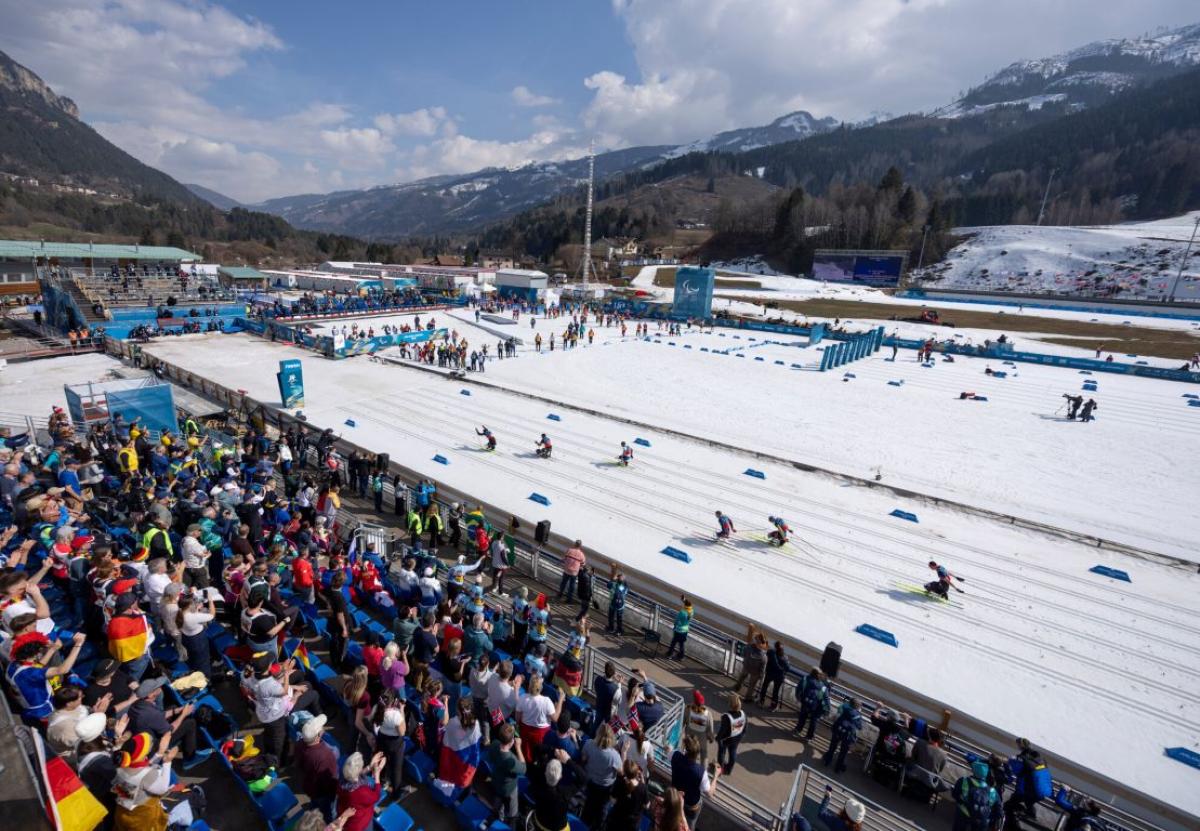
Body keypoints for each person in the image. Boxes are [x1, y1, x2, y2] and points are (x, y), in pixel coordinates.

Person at [296, 714, 340, 822]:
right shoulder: (326, 756)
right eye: (321, 727)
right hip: (323, 794)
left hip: (310, 787)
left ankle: (314, 812)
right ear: (318, 735)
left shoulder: (300, 744)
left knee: (315, 804)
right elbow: (331, 782)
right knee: (329, 813)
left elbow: (299, 765)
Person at [579, 723, 623, 829]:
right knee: (602, 809)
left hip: (591, 781)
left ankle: (583, 824)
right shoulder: (614, 755)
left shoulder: (589, 744)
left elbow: (583, 759)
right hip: (605, 787)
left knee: (589, 804)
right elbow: (621, 772)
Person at [671, 736, 720, 829]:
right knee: (689, 826)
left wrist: (670, 748)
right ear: (697, 753)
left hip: (675, 799)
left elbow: (669, 752)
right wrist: (716, 776)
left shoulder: (675, 755)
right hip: (691, 807)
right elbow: (709, 793)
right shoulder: (701, 772)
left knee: (674, 821)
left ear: (685, 749)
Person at [487, 723, 526, 824]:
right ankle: (510, 820)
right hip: (508, 788)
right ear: (512, 741)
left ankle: (498, 816)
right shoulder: (510, 761)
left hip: (496, 781)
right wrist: (518, 747)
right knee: (513, 812)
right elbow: (524, 768)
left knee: (497, 803)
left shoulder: (494, 744)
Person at [336, 752, 386, 831]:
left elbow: (356, 776)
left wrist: (370, 766)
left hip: (343, 813)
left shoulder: (343, 778)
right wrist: (377, 775)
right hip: (358, 823)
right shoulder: (361, 792)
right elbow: (376, 796)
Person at [517, 674, 562, 761]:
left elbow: (517, 719)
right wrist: (560, 701)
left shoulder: (522, 698)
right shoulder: (546, 701)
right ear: (540, 688)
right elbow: (555, 718)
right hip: (542, 735)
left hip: (526, 733)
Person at [953, 761, 1003, 831]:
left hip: (964, 814)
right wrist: (988, 817)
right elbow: (999, 812)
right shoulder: (992, 791)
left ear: (974, 771)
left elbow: (955, 794)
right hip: (982, 819)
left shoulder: (963, 781)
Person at [823, 698, 863, 773]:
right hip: (847, 735)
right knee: (843, 752)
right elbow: (859, 727)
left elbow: (840, 709)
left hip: (838, 729)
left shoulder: (844, 707)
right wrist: (858, 713)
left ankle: (827, 761)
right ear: (857, 707)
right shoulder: (857, 715)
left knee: (832, 747)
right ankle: (838, 768)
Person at [608, 759, 649, 831]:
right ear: (637, 773)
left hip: (617, 820)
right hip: (632, 824)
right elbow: (647, 806)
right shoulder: (642, 788)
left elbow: (612, 800)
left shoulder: (620, 782)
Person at [794, 667, 830, 740]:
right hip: (815, 705)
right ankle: (809, 736)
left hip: (805, 701)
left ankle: (798, 729)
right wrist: (827, 709)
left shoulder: (805, 679)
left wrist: (798, 697)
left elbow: (799, 688)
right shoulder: (823, 687)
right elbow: (826, 699)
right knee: (814, 720)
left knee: (803, 716)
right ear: (818, 675)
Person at [715, 693, 747, 774]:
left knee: (722, 753)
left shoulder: (726, 717)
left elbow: (722, 731)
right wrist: (742, 735)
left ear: (730, 704)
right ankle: (729, 769)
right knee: (733, 752)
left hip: (726, 739)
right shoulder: (743, 714)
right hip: (737, 737)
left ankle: (720, 769)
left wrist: (718, 738)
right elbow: (745, 726)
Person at [684, 690, 715, 768]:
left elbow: (683, 720)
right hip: (702, 738)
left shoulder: (688, 708)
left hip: (690, 736)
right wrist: (711, 738)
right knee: (704, 754)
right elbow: (710, 729)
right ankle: (703, 771)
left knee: (690, 751)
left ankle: (687, 766)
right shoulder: (708, 714)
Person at [760, 640, 790, 709]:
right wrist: (783, 671)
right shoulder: (785, 657)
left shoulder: (771, 652)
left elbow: (768, 654)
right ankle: (773, 705)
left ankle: (761, 700)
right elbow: (788, 668)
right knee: (775, 691)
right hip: (779, 676)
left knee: (765, 686)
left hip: (770, 673)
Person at [607, 571, 628, 635]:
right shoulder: (624, 586)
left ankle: (613, 629)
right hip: (620, 605)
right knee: (618, 618)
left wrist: (613, 579)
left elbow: (608, 585)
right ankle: (618, 630)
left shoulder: (614, 584)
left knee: (612, 617)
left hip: (614, 604)